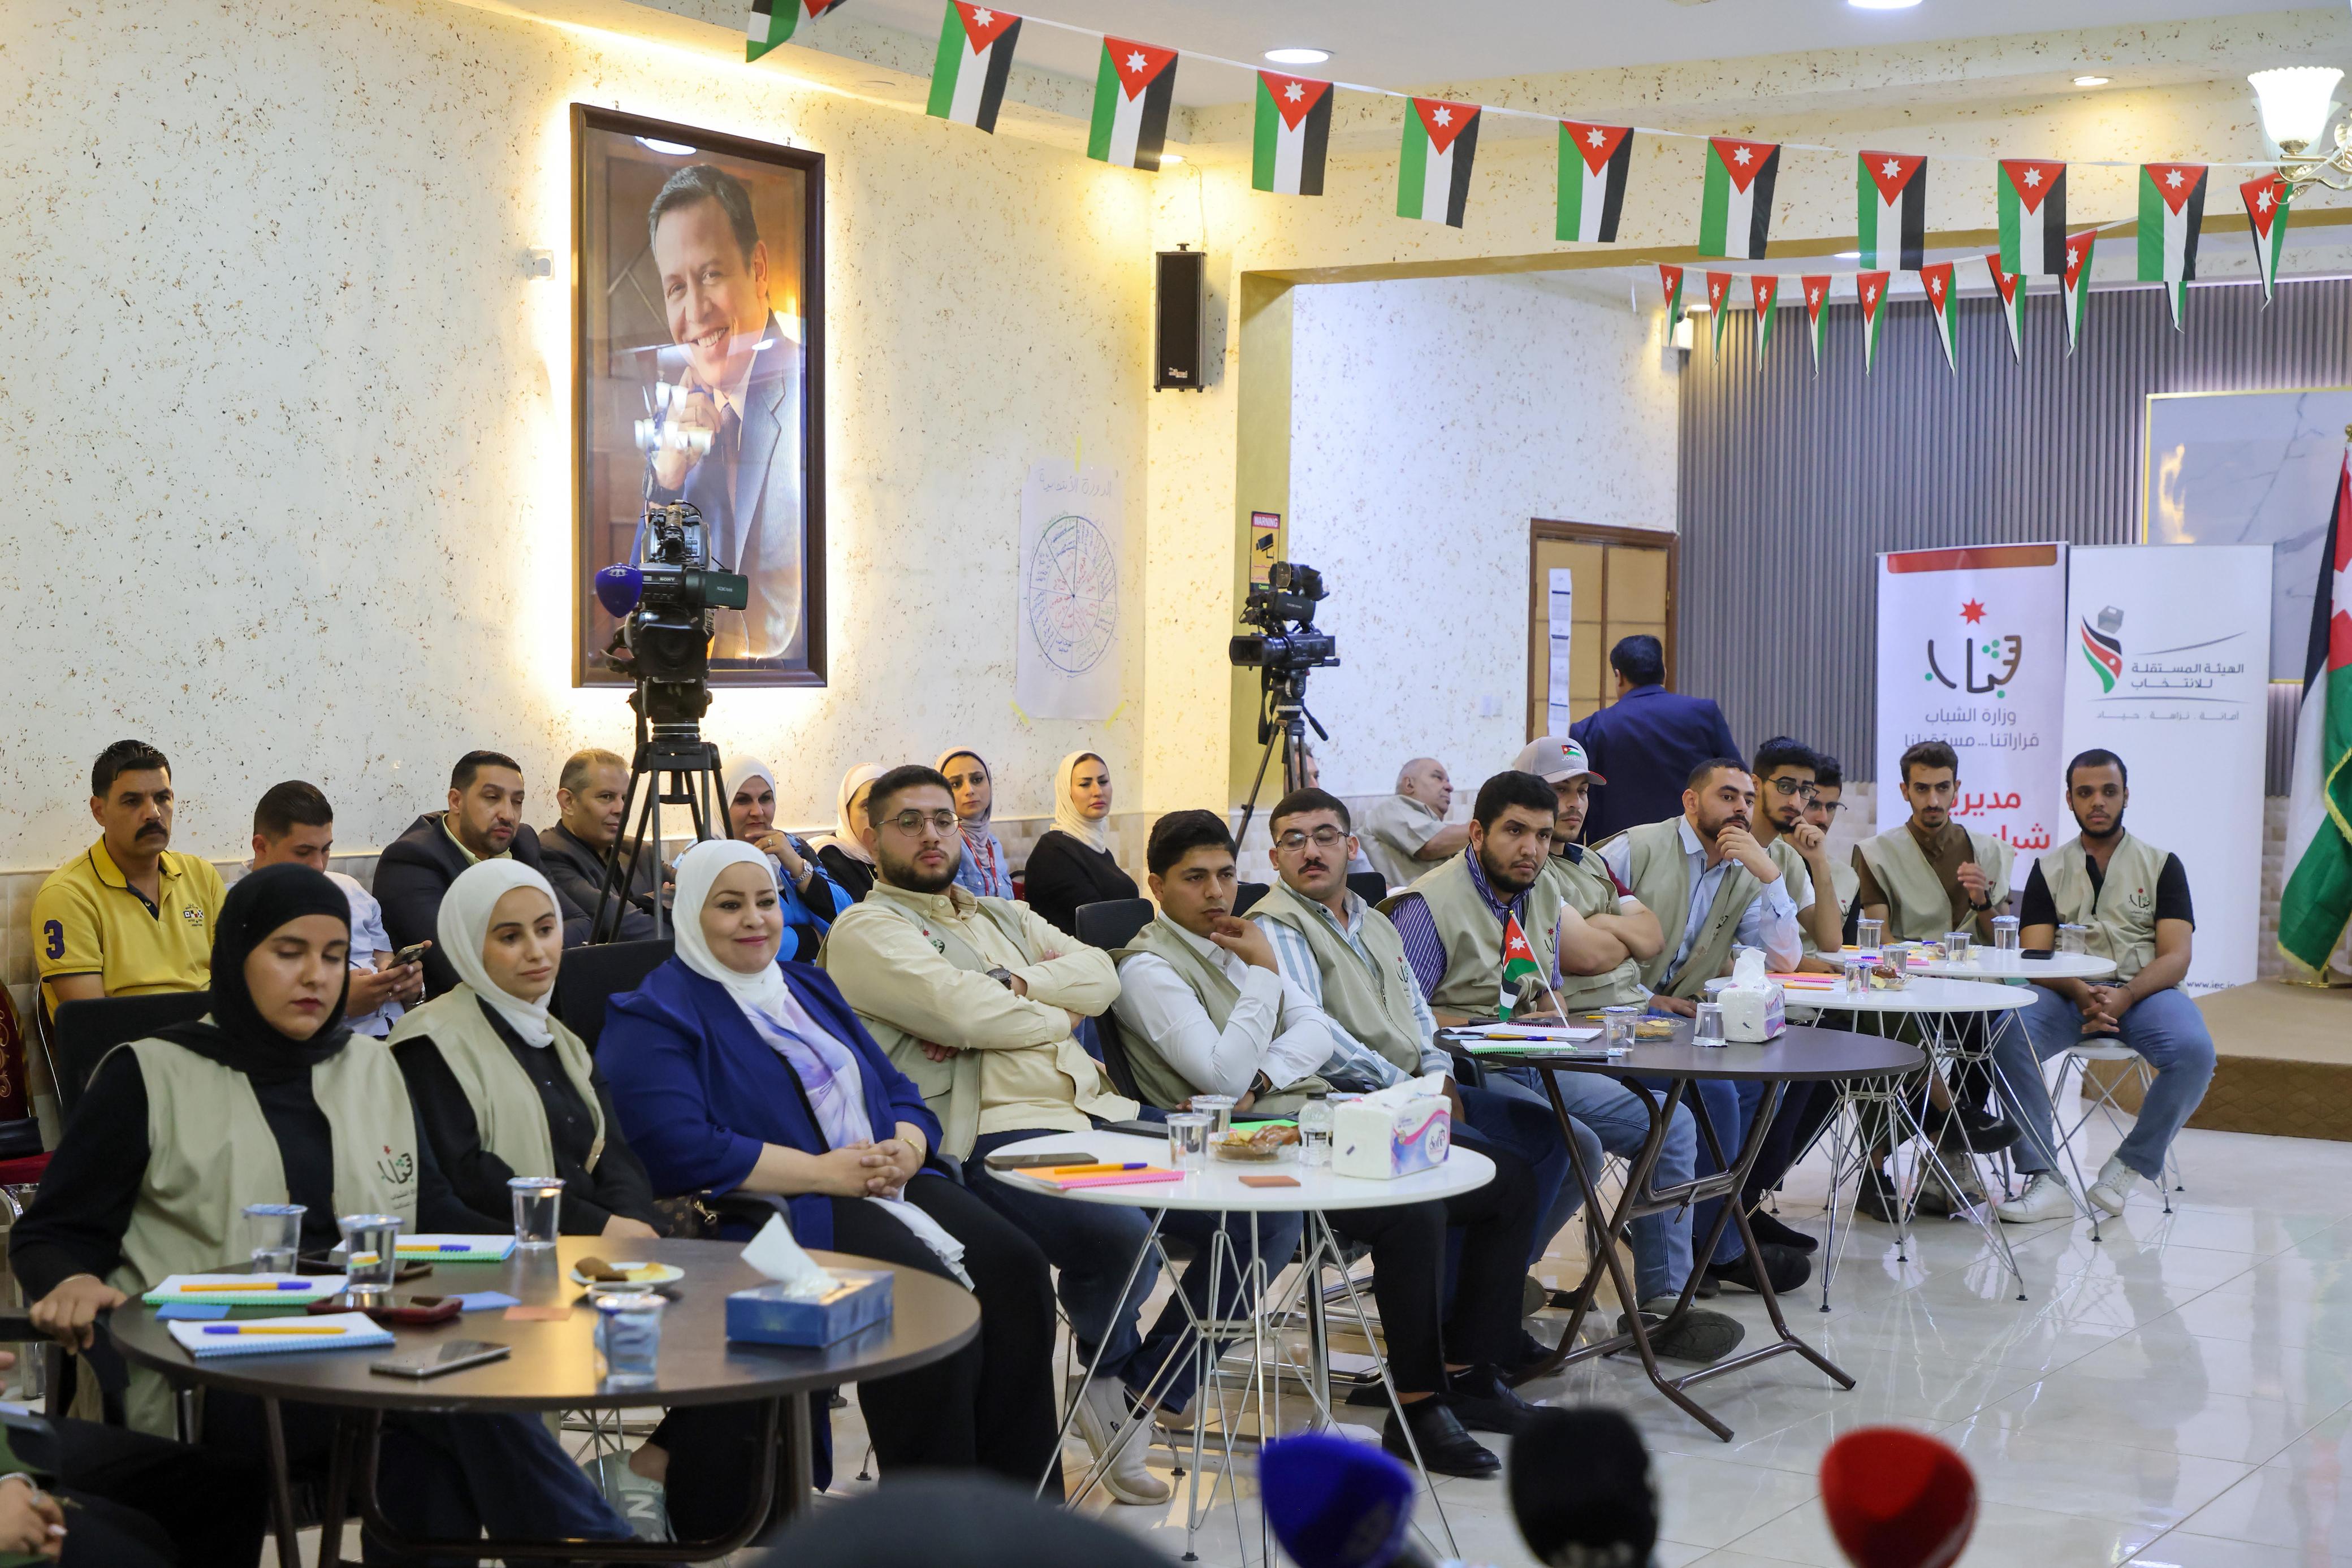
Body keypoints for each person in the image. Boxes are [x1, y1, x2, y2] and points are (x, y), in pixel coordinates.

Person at [9, 864, 633, 1560]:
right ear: (235, 955)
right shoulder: (148, 1075)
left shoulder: (370, 1066)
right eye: (289, 952)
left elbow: (432, 1208)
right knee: (453, 1400)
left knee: (440, 1433)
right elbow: (51, 1233)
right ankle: (600, 1550)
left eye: (335, 956)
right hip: (217, 1368)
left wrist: (556, 1262)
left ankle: (591, 1551)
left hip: (372, 1344)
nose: (316, 975)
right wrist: (69, 1279)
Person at [600, 841, 1061, 1517]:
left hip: (879, 1176)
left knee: (1017, 1268)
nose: (754, 918)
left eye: (765, 901)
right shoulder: (655, 1012)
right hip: (771, 1206)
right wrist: (824, 1172)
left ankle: (1020, 1517)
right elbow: (677, 1146)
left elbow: (897, 1087)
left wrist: (908, 1145)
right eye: (728, 904)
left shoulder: (807, 986)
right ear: (690, 912)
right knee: (922, 1300)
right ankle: (935, 1530)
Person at [1113, 809, 1544, 1477]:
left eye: (1224, 874)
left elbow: (1312, 1030)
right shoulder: (1149, 967)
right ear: (1156, 886)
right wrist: (1262, 978)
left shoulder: (1235, 941)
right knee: (1412, 1209)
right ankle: (1418, 1405)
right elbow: (1219, 1078)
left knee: (1506, 1177)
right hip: (1233, 1148)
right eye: (1194, 878)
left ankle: (1468, 1370)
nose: (1216, 892)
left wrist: (1262, 1073)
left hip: (1304, 1120)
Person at [818, 766, 1196, 1506]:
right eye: (908, 822)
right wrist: (1056, 1014)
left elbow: (1102, 975)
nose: (932, 834)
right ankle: (1112, 1383)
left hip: (1091, 1106)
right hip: (990, 1130)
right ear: (871, 836)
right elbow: (965, 1013)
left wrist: (1017, 985)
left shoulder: (999, 911)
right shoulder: (868, 929)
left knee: (1258, 1211)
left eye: (942, 819)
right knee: (1120, 1238)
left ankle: (1134, 1382)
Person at [1385, 771, 1741, 1364]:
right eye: (1514, 832)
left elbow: (1543, 990)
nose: (1530, 848)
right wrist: (1488, 1026)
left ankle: (1660, 1305)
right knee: (1576, 1145)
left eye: (1542, 835)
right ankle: (1489, 1288)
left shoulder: (1543, 889)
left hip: (1535, 1056)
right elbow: (1403, 1021)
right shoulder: (1428, 906)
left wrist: (1553, 1024)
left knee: (1670, 1122)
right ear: (1477, 833)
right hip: (1466, 1070)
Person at [1249, 787, 1581, 1276]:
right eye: (1294, 841)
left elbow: (1419, 1013)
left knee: (1553, 1139)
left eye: (1325, 837)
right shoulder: (1275, 928)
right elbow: (1319, 1038)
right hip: (1351, 1100)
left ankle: (1482, 1294)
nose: (1312, 851)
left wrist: (1439, 1075)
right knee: (1497, 1171)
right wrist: (1414, 1088)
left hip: (1414, 1087)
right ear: (1275, 858)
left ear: (1351, 847)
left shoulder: (1373, 921)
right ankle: (1456, 1305)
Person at [1596, 761, 1810, 1297]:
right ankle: (1722, 1248)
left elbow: (1783, 959)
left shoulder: (1747, 867)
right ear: (1691, 802)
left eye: (1747, 799)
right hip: (1610, 1016)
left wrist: (1771, 878)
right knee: (1713, 1085)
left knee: (1765, 1077)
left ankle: (1696, 1231)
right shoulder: (1635, 848)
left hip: (1678, 1023)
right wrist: (1647, 998)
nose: (1740, 809)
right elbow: (1575, 933)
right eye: (1727, 796)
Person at [1992, 750, 2216, 1223]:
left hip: (2145, 995)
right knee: (2007, 1033)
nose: (2098, 802)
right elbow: (2034, 955)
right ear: (2070, 800)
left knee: (2194, 1051)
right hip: (2066, 996)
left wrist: (2126, 995)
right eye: (2086, 792)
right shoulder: (2048, 868)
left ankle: (2128, 1166)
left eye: (2109, 791)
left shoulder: (2162, 865)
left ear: (2126, 796)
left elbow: (2177, 955)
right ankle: (2045, 1178)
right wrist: (2079, 991)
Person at [389, 861, 664, 1238]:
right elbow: (468, 1177)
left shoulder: (558, 1038)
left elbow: (613, 1155)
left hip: (593, 1246)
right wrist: (601, 1228)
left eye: (546, 930)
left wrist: (635, 1223)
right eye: (510, 937)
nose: (537, 952)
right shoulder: (429, 1042)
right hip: (502, 1252)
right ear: (469, 943)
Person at [641, 163, 805, 666]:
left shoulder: (815, 392)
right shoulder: (675, 418)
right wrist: (666, 481)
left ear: (758, 269)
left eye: (710, 274)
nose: (695, 311)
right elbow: (644, 609)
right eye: (676, 288)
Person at [33, 740, 226, 1015]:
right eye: (132, 801)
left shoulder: (202, 877)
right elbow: (93, 1024)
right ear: (99, 811)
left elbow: (235, 986)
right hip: (126, 1042)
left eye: (162, 798)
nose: (153, 814)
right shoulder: (67, 895)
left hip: (210, 1037)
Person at [376, 751, 591, 998]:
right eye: (492, 798)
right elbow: (461, 967)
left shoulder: (522, 842)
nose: (508, 814)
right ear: (456, 801)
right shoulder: (412, 860)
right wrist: (542, 949)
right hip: (457, 1012)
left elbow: (580, 922)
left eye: (517, 802)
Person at [247, 781, 424, 1039]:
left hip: (401, 1033)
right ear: (261, 847)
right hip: (324, 1044)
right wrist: (336, 1004)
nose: (319, 866)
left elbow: (383, 958)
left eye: (326, 849)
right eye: (303, 852)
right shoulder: (234, 905)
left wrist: (404, 983)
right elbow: (244, 1005)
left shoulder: (350, 889)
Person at [1508, 736, 1662, 1013]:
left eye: (1582, 791)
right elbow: (1586, 955)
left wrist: (1601, 923)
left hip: (1633, 1009)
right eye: (1560, 789)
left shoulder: (1591, 859)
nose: (1575, 803)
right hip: (1581, 1018)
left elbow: (1653, 936)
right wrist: (1628, 941)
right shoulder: (1525, 867)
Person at [1569, 636, 1741, 843]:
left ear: (1619, 677)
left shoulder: (1589, 729)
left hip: (1616, 855)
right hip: (1694, 849)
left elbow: (1575, 801)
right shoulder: (1704, 714)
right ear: (1664, 673)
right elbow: (1738, 779)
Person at [1852, 739, 2014, 947]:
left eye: (1943, 788)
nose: (1933, 801)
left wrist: (1982, 902)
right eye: (1922, 789)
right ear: (1905, 791)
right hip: (1908, 967)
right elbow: (1880, 941)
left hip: (1978, 968)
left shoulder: (1992, 852)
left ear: (1956, 789)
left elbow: (2004, 945)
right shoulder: (1875, 854)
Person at [724, 755, 853, 960]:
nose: (758, 811)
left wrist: (796, 865)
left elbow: (847, 917)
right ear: (720, 804)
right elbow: (728, 941)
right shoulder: (702, 856)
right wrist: (809, 939)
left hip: (813, 975)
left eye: (766, 799)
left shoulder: (792, 845)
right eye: (742, 800)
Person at [536, 748, 659, 942]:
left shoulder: (638, 850)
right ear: (568, 802)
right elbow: (621, 926)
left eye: (625, 799)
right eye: (606, 797)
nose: (621, 809)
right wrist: (659, 902)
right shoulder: (548, 853)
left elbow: (702, 895)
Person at [1021, 751, 1139, 939]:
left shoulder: (1097, 848)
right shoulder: (1053, 852)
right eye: (1085, 784)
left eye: (1103, 782)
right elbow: (1095, 923)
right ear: (1066, 793)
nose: (1097, 791)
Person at [1356, 759, 1471, 893]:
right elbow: (1431, 844)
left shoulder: (1446, 834)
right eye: (1438, 777)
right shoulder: (1392, 808)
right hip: (1409, 905)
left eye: (1448, 781)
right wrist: (1483, 827)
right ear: (1409, 784)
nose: (1449, 787)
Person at [936, 748, 1012, 899]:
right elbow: (956, 910)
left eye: (977, 780)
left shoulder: (993, 843)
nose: (969, 790)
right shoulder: (944, 844)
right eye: (956, 784)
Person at [806, 763, 884, 904]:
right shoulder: (826, 854)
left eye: (887, 806)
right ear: (846, 812)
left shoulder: (903, 854)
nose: (879, 816)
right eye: (867, 806)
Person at [1806, 755, 1861, 939]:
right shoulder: (1764, 863)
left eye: (1831, 807)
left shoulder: (1848, 878)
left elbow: (1848, 949)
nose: (1823, 818)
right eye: (1813, 805)